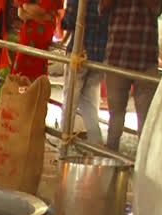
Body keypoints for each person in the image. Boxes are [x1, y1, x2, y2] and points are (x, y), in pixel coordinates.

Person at [101, 0, 162, 150]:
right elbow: (102, 9)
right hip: (117, 57)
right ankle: (110, 159)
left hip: (145, 59)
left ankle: (143, 166)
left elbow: (157, 8)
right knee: (115, 115)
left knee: (146, 118)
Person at [61, 0, 108, 144]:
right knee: (89, 103)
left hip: (79, 53)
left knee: (70, 102)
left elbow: (69, 20)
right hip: (101, 55)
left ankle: (64, 144)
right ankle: (96, 144)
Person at [11, 0, 61, 80]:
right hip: (27, 32)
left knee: (36, 69)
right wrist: (40, 16)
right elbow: (21, 13)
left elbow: (41, 10)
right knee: (20, 69)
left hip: (41, 32)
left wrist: (26, 8)